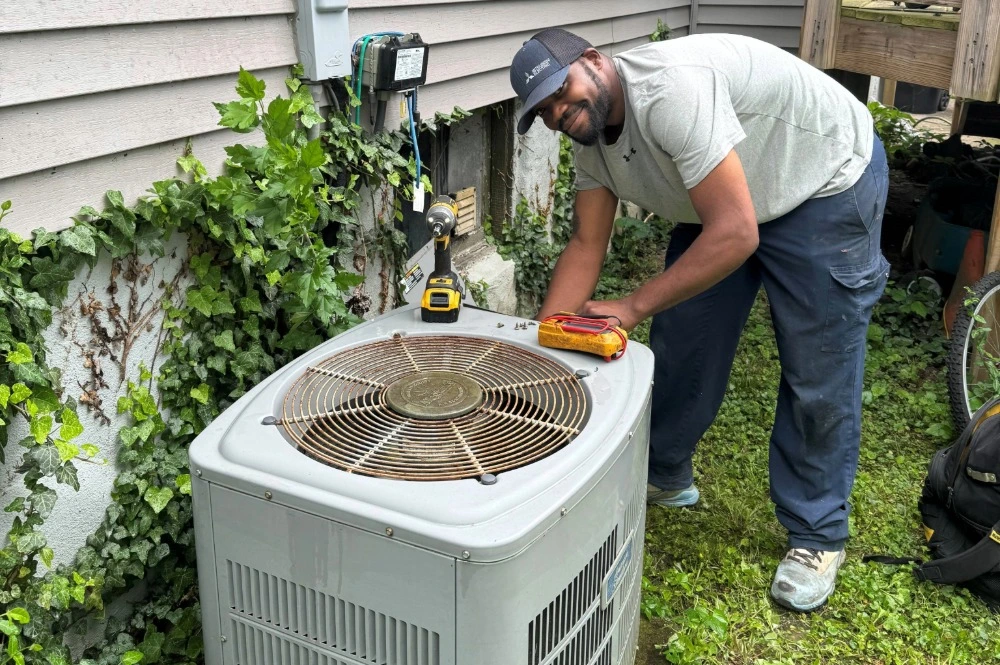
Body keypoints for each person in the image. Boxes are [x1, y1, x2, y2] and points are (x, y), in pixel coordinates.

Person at [509, 28, 889, 612]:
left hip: (821, 178)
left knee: (819, 367)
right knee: (684, 337)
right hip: (722, 194)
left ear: (591, 60)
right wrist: (543, 347)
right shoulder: (590, 142)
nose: (561, 113)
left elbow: (736, 233)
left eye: (562, 93)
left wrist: (632, 305)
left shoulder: (669, 94)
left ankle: (816, 534)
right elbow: (587, 242)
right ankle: (665, 472)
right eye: (546, 112)